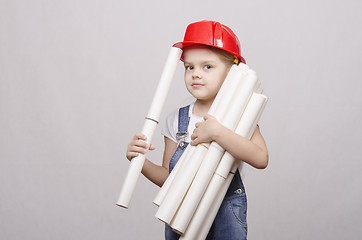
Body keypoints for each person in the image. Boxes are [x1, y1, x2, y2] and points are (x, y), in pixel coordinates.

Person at [126, 20, 269, 240]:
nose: (196, 74)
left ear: (232, 73)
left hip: (225, 211)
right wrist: (140, 161)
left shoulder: (241, 117)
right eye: (189, 67)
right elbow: (168, 178)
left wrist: (217, 132)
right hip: (181, 212)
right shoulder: (176, 120)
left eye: (207, 66)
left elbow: (261, 159)